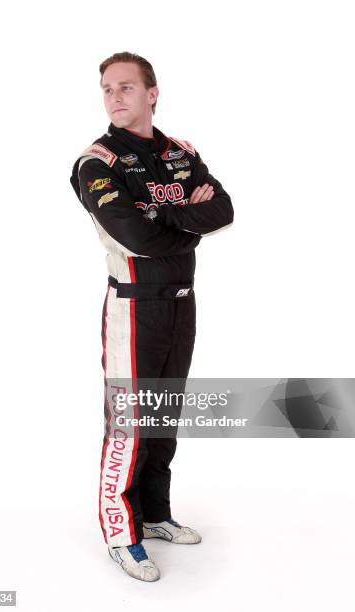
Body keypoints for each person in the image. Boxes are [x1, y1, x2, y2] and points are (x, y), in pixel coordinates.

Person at [70, 51, 234, 582]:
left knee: (163, 419)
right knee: (129, 425)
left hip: (182, 302)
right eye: (106, 89)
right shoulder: (96, 163)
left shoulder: (181, 152)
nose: (114, 97)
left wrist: (161, 211)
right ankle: (122, 533)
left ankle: (156, 513)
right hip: (133, 308)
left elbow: (223, 210)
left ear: (151, 93)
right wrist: (190, 219)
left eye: (125, 87)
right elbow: (136, 238)